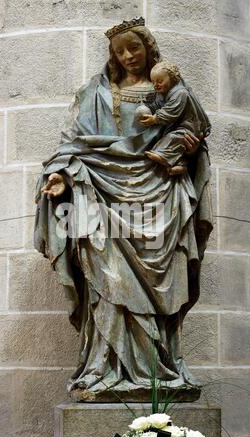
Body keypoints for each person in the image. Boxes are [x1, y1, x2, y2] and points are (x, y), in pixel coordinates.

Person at [34, 17, 213, 401]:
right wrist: (62, 177)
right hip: (102, 196)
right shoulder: (95, 94)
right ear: (112, 56)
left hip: (161, 198)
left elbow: (195, 133)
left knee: (160, 288)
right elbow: (72, 145)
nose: (128, 55)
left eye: (134, 47)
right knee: (109, 282)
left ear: (148, 47)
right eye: (119, 51)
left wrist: (187, 146)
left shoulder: (172, 93)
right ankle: (105, 367)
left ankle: (160, 370)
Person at [140, 60, 211, 176]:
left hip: (190, 126)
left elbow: (171, 111)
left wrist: (154, 119)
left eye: (160, 81)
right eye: (153, 82)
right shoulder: (164, 93)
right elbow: (159, 104)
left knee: (173, 137)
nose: (155, 85)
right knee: (177, 143)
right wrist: (149, 107)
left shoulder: (180, 93)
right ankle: (180, 165)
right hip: (179, 125)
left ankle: (163, 156)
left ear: (172, 78)